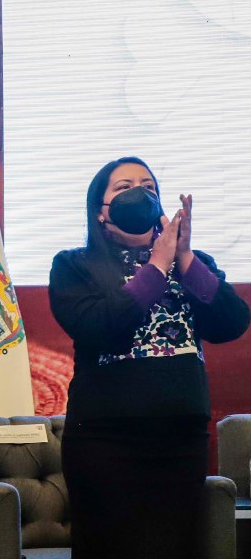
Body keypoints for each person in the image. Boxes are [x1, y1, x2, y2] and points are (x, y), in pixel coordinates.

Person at [50, 157, 246, 559]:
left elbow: (232, 322)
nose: (138, 193)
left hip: (181, 437)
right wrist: (157, 266)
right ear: (100, 211)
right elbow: (98, 327)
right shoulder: (74, 265)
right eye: (123, 187)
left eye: (148, 186)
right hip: (105, 438)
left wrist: (184, 258)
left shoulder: (195, 264)